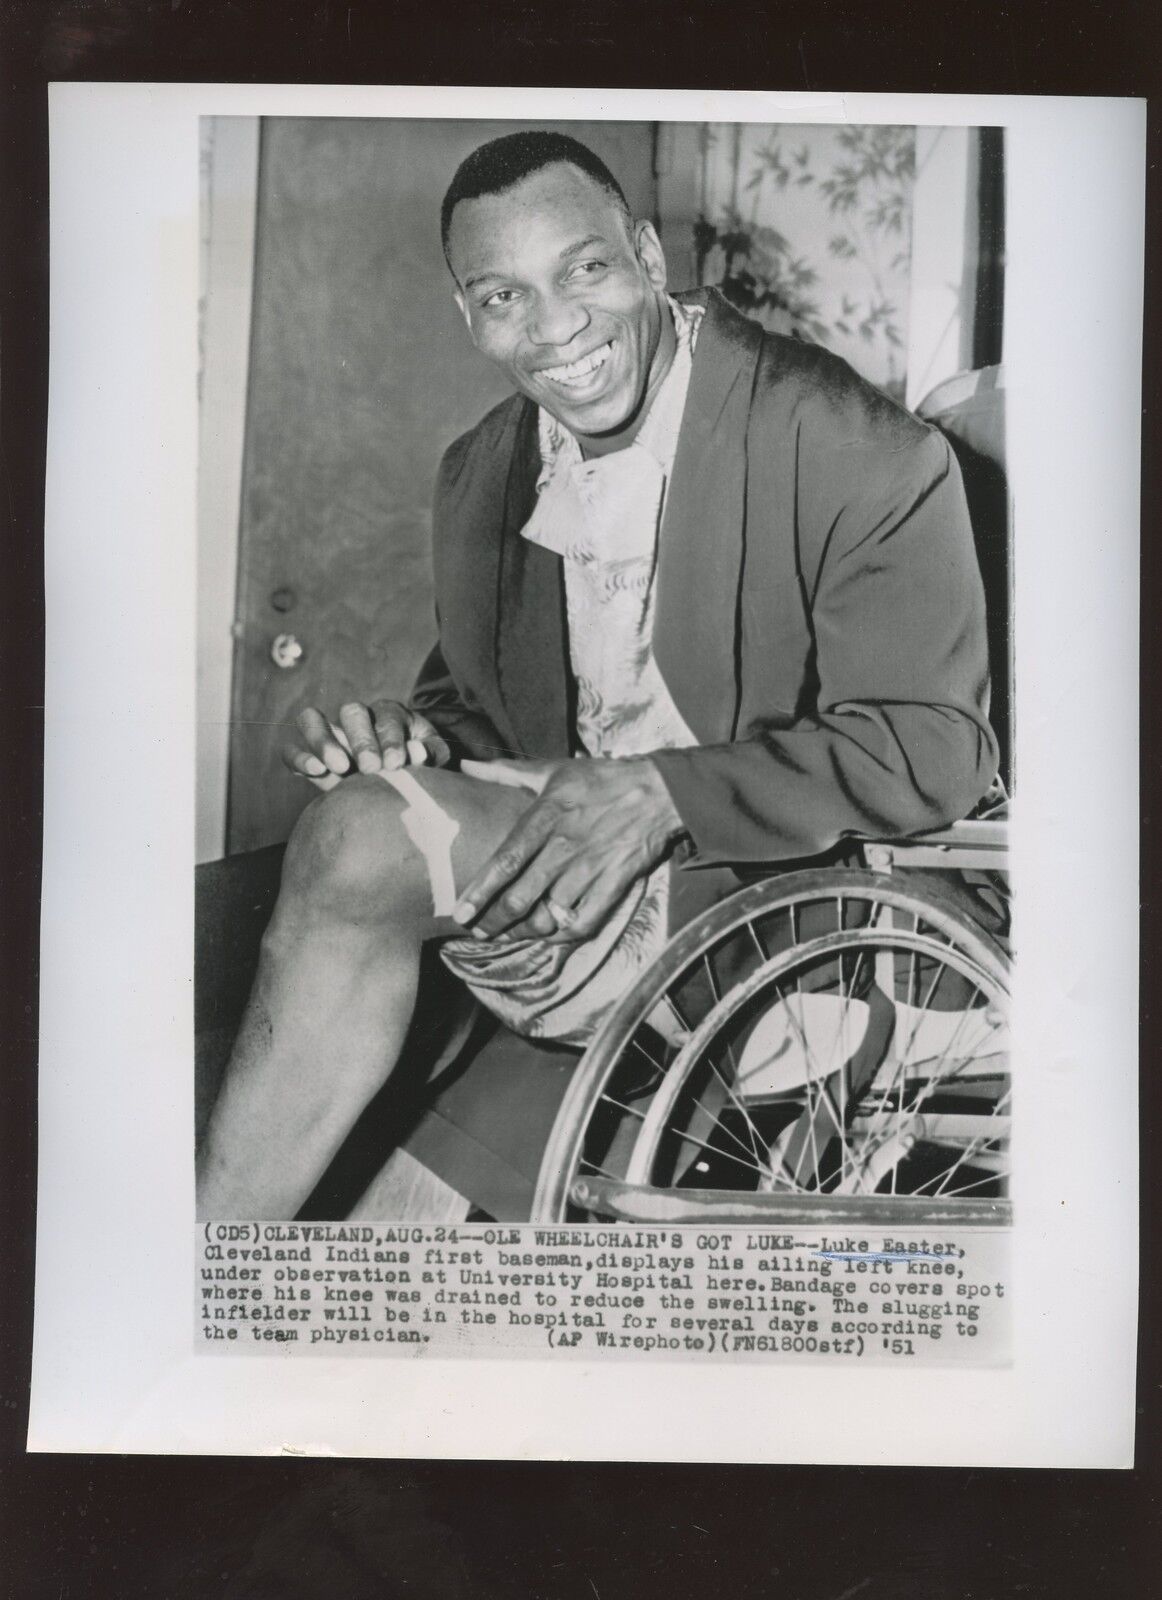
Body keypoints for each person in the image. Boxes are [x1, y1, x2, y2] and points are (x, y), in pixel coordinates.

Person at [196, 131, 997, 1220]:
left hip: (779, 912)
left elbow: (934, 748)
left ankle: (196, 1264)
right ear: (467, 316)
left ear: (646, 256)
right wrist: (412, 742)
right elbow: (476, 705)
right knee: (374, 1214)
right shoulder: (483, 470)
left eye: (584, 270)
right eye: (502, 296)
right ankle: (207, 1275)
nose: (556, 328)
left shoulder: (854, 445)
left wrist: (665, 790)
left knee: (352, 845)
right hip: (567, 910)